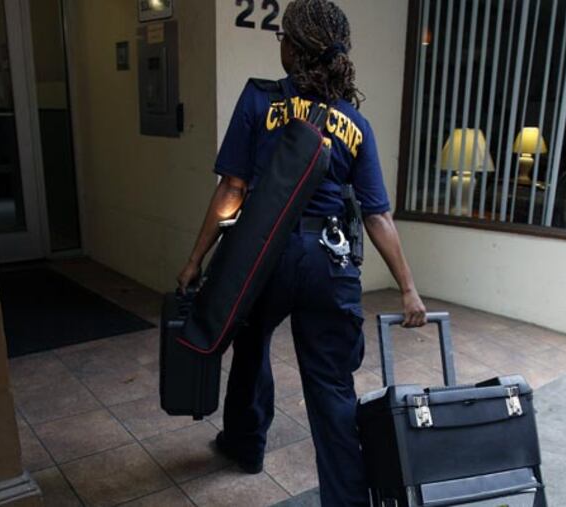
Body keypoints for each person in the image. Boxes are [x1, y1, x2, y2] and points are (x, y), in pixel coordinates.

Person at [177, 0, 426, 504]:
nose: (282, 46)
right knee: (331, 387)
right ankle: (347, 499)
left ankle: (246, 444)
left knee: (250, 348)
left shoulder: (258, 100)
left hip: (262, 256)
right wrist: (408, 288)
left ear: (294, 48)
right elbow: (377, 215)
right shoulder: (355, 122)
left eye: (284, 38)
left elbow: (232, 189)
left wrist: (196, 259)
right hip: (329, 262)